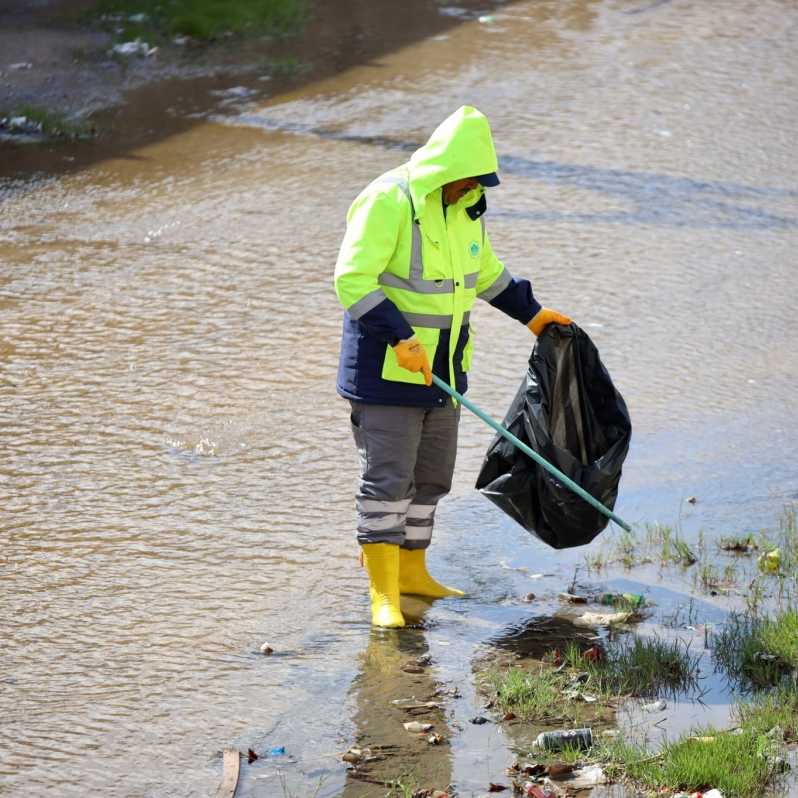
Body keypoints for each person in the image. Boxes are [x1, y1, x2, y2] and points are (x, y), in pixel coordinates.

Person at [334, 106, 571, 628]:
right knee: (387, 482)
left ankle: (414, 572)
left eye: (477, 182)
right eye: (464, 180)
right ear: (445, 169)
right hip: (386, 370)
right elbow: (352, 279)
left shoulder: (465, 206)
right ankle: (383, 595)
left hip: (442, 373)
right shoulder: (388, 201)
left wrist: (533, 316)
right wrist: (399, 337)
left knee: (431, 478)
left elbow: (483, 274)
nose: (471, 189)